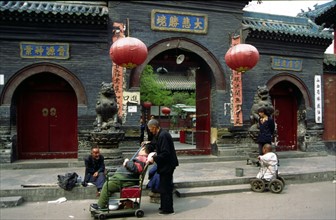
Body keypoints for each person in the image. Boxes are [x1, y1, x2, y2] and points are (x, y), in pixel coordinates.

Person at [90, 145, 149, 210]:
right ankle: (104, 203)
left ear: (144, 151)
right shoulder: (140, 158)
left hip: (126, 179)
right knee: (107, 182)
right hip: (123, 177)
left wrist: (127, 162)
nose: (140, 150)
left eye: (142, 149)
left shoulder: (142, 159)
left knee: (107, 186)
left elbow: (135, 169)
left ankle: (100, 206)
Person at [146, 119, 179, 216]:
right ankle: (163, 206)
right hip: (164, 165)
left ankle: (168, 209)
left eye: (150, 129)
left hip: (168, 165)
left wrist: (154, 158)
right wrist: (147, 145)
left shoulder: (163, 135)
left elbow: (165, 153)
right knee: (163, 186)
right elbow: (153, 143)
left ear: (154, 127)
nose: (150, 131)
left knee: (166, 187)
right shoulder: (159, 134)